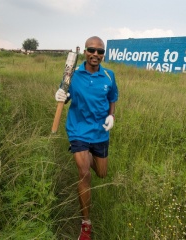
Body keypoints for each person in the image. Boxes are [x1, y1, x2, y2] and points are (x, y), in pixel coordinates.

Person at [55, 36, 118, 240]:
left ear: (103, 55)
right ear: (85, 51)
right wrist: (60, 96)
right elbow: (64, 96)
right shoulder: (72, 75)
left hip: (100, 132)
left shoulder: (109, 76)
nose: (96, 54)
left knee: (101, 173)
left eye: (100, 52)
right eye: (92, 50)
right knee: (84, 173)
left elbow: (112, 98)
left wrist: (111, 116)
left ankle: (85, 154)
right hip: (78, 130)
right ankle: (86, 224)